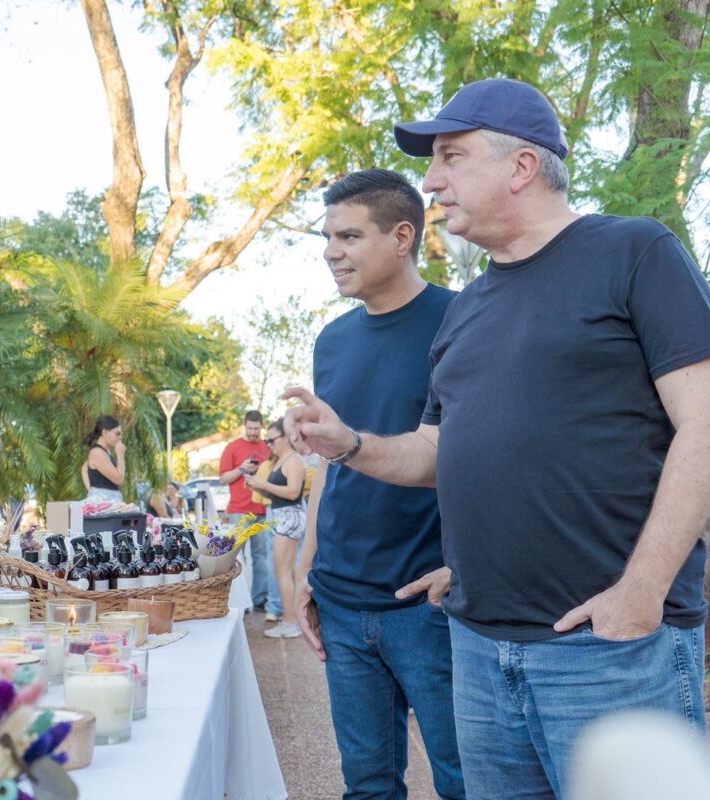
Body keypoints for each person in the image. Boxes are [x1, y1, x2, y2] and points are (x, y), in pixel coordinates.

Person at [284, 78, 710, 799]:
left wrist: (641, 592)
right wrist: (347, 444)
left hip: (606, 648)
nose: (431, 181)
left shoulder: (633, 251)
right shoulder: (467, 311)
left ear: (522, 166)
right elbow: (437, 454)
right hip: (478, 645)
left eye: (450, 157)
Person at [291, 169, 463, 798]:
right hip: (340, 598)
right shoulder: (331, 340)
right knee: (366, 784)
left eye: (348, 236)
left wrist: (465, 567)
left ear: (402, 237)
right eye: (327, 236)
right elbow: (328, 461)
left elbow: (483, 458)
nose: (331, 251)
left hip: (428, 603)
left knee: (465, 778)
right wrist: (307, 567)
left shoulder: (460, 318)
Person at [245, 419, 306, 640]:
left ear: (287, 437)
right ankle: (291, 620)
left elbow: (292, 493)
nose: (269, 444)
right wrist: (259, 487)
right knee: (285, 572)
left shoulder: (294, 460)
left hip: (289, 517)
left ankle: (291, 622)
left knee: (284, 572)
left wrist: (263, 485)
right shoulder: (282, 460)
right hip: (282, 516)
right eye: (267, 440)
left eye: (272, 440)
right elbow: (278, 494)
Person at [219, 411, 273, 617]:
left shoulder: (268, 447)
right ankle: (235, 601)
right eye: (249, 428)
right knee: (234, 557)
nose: (253, 432)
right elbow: (223, 479)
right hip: (239, 511)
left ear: (261, 427)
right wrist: (242, 469)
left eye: (256, 429)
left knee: (261, 557)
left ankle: (259, 598)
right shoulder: (232, 447)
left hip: (262, 509)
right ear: (244, 426)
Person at [82, 415, 125, 502]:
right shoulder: (97, 453)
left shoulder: (104, 451)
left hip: (108, 500)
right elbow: (119, 479)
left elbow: (84, 468)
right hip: (104, 502)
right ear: (105, 432)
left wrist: (91, 491)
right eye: (117, 433)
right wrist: (120, 454)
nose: (119, 437)